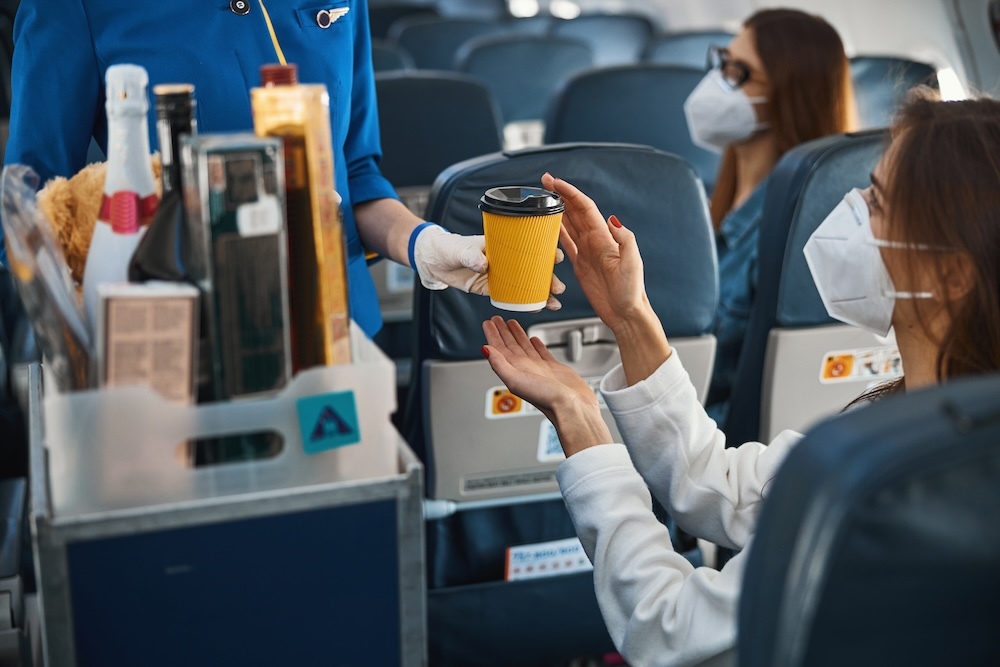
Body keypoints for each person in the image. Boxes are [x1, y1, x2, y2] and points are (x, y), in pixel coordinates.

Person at [481, 94, 1000, 666]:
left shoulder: (894, 487)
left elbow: (669, 631)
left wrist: (581, 420)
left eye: (876, 201)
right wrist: (630, 316)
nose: (851, 211)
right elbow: (719, 484)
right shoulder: (912, 422)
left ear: (950, 274)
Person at [1, 0, 562, 338]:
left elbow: (356, 171)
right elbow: (28, 212)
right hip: (182, 339)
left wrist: (424, 246)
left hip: (337, 327)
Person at [682, 8, 857, 425]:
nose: (718, 81)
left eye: (740, 73)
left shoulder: (792, 228)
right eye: (723, 61)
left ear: (788, 95)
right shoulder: (711, 199)